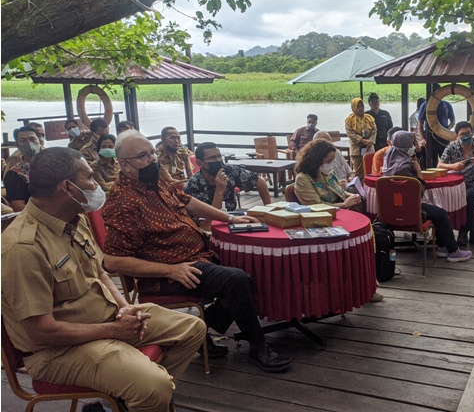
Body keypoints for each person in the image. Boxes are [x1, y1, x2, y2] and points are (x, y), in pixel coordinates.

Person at [1, 147, 206, 412]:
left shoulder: (74, 219)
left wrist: (125, 308)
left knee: (192, 328)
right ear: (68, 188)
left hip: (107, 319)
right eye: (89, 177)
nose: (96, 184)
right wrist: (114, 331)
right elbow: (41, 331)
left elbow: (98, 272)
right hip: (59, 350)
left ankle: (123, 403)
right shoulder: (23, 248)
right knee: (155, 386)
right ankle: (140, 396)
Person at [102, 130, 292, 372]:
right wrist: (170, 270)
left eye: (152, 153)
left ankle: (199, 330)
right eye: (143, 156)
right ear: (123, 164)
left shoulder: (153, 181)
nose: (152, 159)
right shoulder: (123, 202)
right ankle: (258, 346)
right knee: (236, 280)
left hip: (196, 256)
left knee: (249, 266)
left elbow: (187, 201)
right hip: (168, 274)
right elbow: (113, 262)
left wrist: (229, 218)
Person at [384, 131, 472, 262]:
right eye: (411, 143)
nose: (414, 146)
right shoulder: (404, 167)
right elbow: (418, 193)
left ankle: (442, 247)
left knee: (435, 210)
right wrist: (418, 171)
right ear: (406, 145)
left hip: (392, 211)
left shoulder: (389, 161)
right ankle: (454, 251)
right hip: (411, 211)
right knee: (441, 213)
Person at [184, 141, 272, 227]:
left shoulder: (228, 170)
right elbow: (208, 224)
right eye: (212, 158)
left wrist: (268, 209)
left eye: (219, 156)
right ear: (199, 163)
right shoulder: (192, 187)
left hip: (234, 219)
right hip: (208, 227)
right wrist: (219, 191)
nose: (218, 160)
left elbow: (259, 181)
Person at [437, 121, 474, 246]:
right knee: (439, 196)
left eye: (469, 133)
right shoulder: (451, 148)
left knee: (472, 196)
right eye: (463, 134)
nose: (466, 136)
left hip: (469, 184)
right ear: (457, 136)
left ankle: (463, 232)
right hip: (452, 185)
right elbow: (440, 165)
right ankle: (443, 232)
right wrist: (453, 166)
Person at [293, 139, 363, 209]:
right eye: (328, 161)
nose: (330, 164)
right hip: (324, 214)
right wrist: (344, 205)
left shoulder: (327, 173)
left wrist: (352, 196)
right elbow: (316, 206)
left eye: (332, 161)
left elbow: (339, 191)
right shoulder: (303, 179)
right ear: (316, 160)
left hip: (340, 209)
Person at [4, 126, 42, 211]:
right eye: (23, 140)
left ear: (39, 141)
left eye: (32, 139)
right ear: (17, 145)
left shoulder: (55, 163)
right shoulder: (14, 174)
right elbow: (18, 207)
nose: (29, 143)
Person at [418, 84, 456, 167]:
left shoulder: (446, 105)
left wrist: (446, 129)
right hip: (430, 137)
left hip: (444, 137)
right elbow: (420, 122)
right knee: (431, 161)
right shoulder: (425, 105)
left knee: (445, 159)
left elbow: (453, 121)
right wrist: (422, 138)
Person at [345, 97, 377, 179]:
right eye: (358, 107)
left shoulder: (369, 118)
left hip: (369, 147)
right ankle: (358, 186)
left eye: (362, 106)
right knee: (358, 171)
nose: (360, 109)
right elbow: (350, 133)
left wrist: (370, 141)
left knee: (371, 169)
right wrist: (362, 140)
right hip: (356, 150)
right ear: (353, 108)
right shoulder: (349, 120)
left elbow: (374, 130)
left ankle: (369, 186)